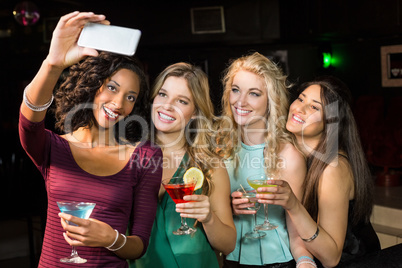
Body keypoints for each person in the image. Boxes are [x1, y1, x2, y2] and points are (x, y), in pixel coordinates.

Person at [18, 11, 162, 267]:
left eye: (130, 97)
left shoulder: (146, 156)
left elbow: (139, 244)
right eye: (112, 88)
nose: (118, 103)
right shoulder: (53, 147)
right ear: (93, 85)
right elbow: (29, 121)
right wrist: (53, 63)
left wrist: (111, 238)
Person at [260, 75, 380, 267]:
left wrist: (293, 204)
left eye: (314, 107)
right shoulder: (291, 153)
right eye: (300, 98)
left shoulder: (333, 168)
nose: (299, 108)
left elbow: (331, 258)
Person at [132, 62, 236, 268]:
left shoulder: (209, 166)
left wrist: (209, 218)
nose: (167, 106)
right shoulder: (128, 158)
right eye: (162, 94)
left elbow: (229, 244)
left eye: (182, 100)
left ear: (196, 112)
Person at [216, 52, 314, 268]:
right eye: (235, 90)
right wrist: (227, 208)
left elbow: (297, 227)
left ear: (271, 100)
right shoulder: (219, 148)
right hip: (230, 260)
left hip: (277, 262)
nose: (240, 101)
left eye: (254, 94)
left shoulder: (288, 155)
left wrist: (305, 261)